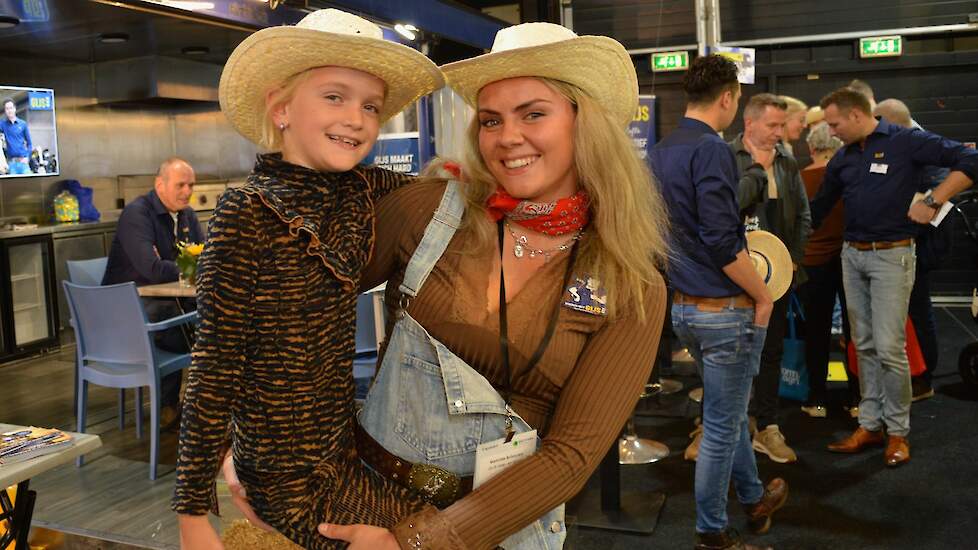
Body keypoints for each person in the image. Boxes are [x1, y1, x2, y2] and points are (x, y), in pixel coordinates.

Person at [228, 20, 671, 550]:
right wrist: (258, 446)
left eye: (533, 113)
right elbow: (284, 305)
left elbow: (572, 455)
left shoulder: (630, 284)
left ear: (584, 123)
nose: (508, 137)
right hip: (363, 503)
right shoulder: (430, 211)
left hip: (501, 532)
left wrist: (414, 542)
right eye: (490, 120)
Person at [171, 9, 444, 550]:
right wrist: (193, 513)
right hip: (284, 481)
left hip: (344, 452)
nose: (358, 119)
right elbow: (214, 366)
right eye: (335, 97)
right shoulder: (246, 211)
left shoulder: (358, 187)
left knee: (439, 527)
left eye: (371, 106)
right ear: (281, 109)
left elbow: (425, 190)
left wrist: (455, 178)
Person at [650, 54, 786, 550]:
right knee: (723, 426)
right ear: (728, 98)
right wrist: (762, 292)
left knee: (727, 413)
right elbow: (721, 238)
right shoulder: (711, 149)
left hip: (684, 309)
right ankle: (711, 533)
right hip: (724, 310)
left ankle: (753, 499)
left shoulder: (662, 149)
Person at [811, 87, 978, 467]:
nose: (831, 131)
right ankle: (870, 425)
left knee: (888, 347)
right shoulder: (844, 157)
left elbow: (970, 159)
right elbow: (819, 207)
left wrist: (933, 201)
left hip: (893, 257)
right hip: (852, 257)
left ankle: (897, 432)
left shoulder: (907, 142)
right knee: (863, 344)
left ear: (856, 115)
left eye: (835, 123)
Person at [730, 93, 811, 464]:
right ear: (750, 123)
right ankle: (726, 426)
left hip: (778, 277)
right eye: (773, 125)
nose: (780, 132)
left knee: (770, 352)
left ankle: (768, 426)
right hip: (734, 276)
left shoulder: (788, 162)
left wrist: (793, 261)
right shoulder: (727, 157)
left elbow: (803, 217)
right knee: (730, 352)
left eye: (782, 125)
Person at [102, 156, 203, 428]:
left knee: (209, 316)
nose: (188, 191)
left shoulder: (186, 214)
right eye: (181, 185)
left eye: (191, 185)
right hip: (124, 314)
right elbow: (152, 268)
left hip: (163, 299)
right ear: (160, 185)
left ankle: (193, 403)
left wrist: (179, 264)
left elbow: (206, 257)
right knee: (192, 325)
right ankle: (174, 407)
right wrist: (182, 266)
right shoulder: (137, 214)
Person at [874, 98, 947, 402]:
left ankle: (924, 377)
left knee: (917, 310)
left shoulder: (923, 147)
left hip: (919, 242)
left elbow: (939, 196)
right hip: (907, 242)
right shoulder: (910, 142)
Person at [797, 121, 860, 418]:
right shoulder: (851, 178)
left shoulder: (800, 179)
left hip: (813, 262)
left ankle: (816, 397)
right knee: (855, 330)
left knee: (816, 331)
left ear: (811, 148)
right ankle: (857, 397)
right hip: (850, 260)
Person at [1, 98, 32, 175]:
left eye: (11, 108)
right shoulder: (2, 125)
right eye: (7, 109)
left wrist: (27, 157)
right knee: (13, 186)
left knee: (30, 184)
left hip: (23, 163)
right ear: (5, 111)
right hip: (12, 164)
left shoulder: (23, 124)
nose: (9, 110)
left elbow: (30, 143)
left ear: (14, 109)